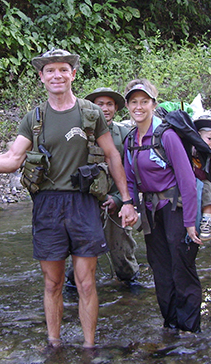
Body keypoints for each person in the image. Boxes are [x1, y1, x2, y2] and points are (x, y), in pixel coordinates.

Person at [0, 49, 138, 349]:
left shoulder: (91, 114)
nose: (57, 75)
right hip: (47, 207)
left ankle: (89, 347)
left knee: (85, 282)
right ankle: (53, 345)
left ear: (73, 75)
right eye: (50, 71)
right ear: (41, 78)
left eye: (63, 70)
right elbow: (13, 158)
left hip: (83, 205)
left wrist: (127, 200)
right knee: (53, 283)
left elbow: (112, 155)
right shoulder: (35, 118)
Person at [123, 79, 202, 334]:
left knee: (182, 268)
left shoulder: (166, 135)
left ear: (153, 104)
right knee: (160, 269)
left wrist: (190, 222)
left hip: (175, 209)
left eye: (144, 101)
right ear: (127, 106)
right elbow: (129, 179)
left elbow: (187, 180)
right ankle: (170, 325)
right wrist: (131, 207)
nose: (139, 106)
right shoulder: (130, 140)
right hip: (151, 213)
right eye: (134, 102)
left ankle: (190, 331)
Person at [83, 87, 139, 284]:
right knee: (80, 256)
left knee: (122, 254)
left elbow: (133, 172)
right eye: (100, 104)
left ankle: (131, 292)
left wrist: (118, 199)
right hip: (84, 203)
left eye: (109, 104)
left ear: (116, 108)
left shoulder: (125, 135)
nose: (105, 109)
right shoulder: (80, 134)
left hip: (116, 205)